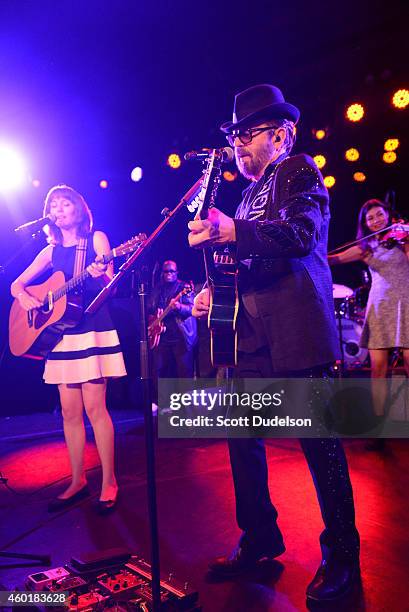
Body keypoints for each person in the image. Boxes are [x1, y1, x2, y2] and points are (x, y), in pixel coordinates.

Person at [188, 84, 360, 602]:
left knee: (321, 450)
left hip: (296, 333)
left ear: (281, 136)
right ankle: (260, 537)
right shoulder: (246, 193)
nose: (239, 144)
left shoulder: (298, 170)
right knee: (242, 440)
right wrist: (209, 287)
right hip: (251, 338)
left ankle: (342, 556)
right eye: (236, 135)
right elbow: (248, 256)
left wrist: (230, 231)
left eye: (250, 134)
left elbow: (300, 235)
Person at [10, 185, 126, 514]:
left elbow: (111, 286)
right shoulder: (50, 251)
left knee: (95, 409)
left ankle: (109, 482)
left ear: (79, 210)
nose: (58, 210)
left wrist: (103, 274)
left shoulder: (97, 240)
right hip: (61, 335)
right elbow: (16, 284)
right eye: (53, 205)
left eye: (65, 204)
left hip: (91, 330)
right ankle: (77, 480)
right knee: (70, 414)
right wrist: (27, 298)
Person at [329, 199, 409, 448]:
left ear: (388, 215)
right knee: (378, 372)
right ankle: (379, 430)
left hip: (406, 305)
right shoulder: (366, 247)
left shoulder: (402, 240)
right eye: (370, 218)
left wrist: (405, 239)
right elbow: (336, 259)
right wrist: (313, 252)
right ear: (365, 223)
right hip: (379, 308)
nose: (376, 220)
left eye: (380, 215)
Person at [148, 261, 197, 381]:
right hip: (161, 337)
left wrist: (179, 307)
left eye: (172, 271)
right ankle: (159, 399)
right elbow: (150, 308)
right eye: (166, 271)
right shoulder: (157, 289)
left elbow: (193, 308)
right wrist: (154, 320)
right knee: (159, 372)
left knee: (184, 372)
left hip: (180, 336)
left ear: (177, 273)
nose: (169, 274)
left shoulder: (184, 288)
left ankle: (186, 399)